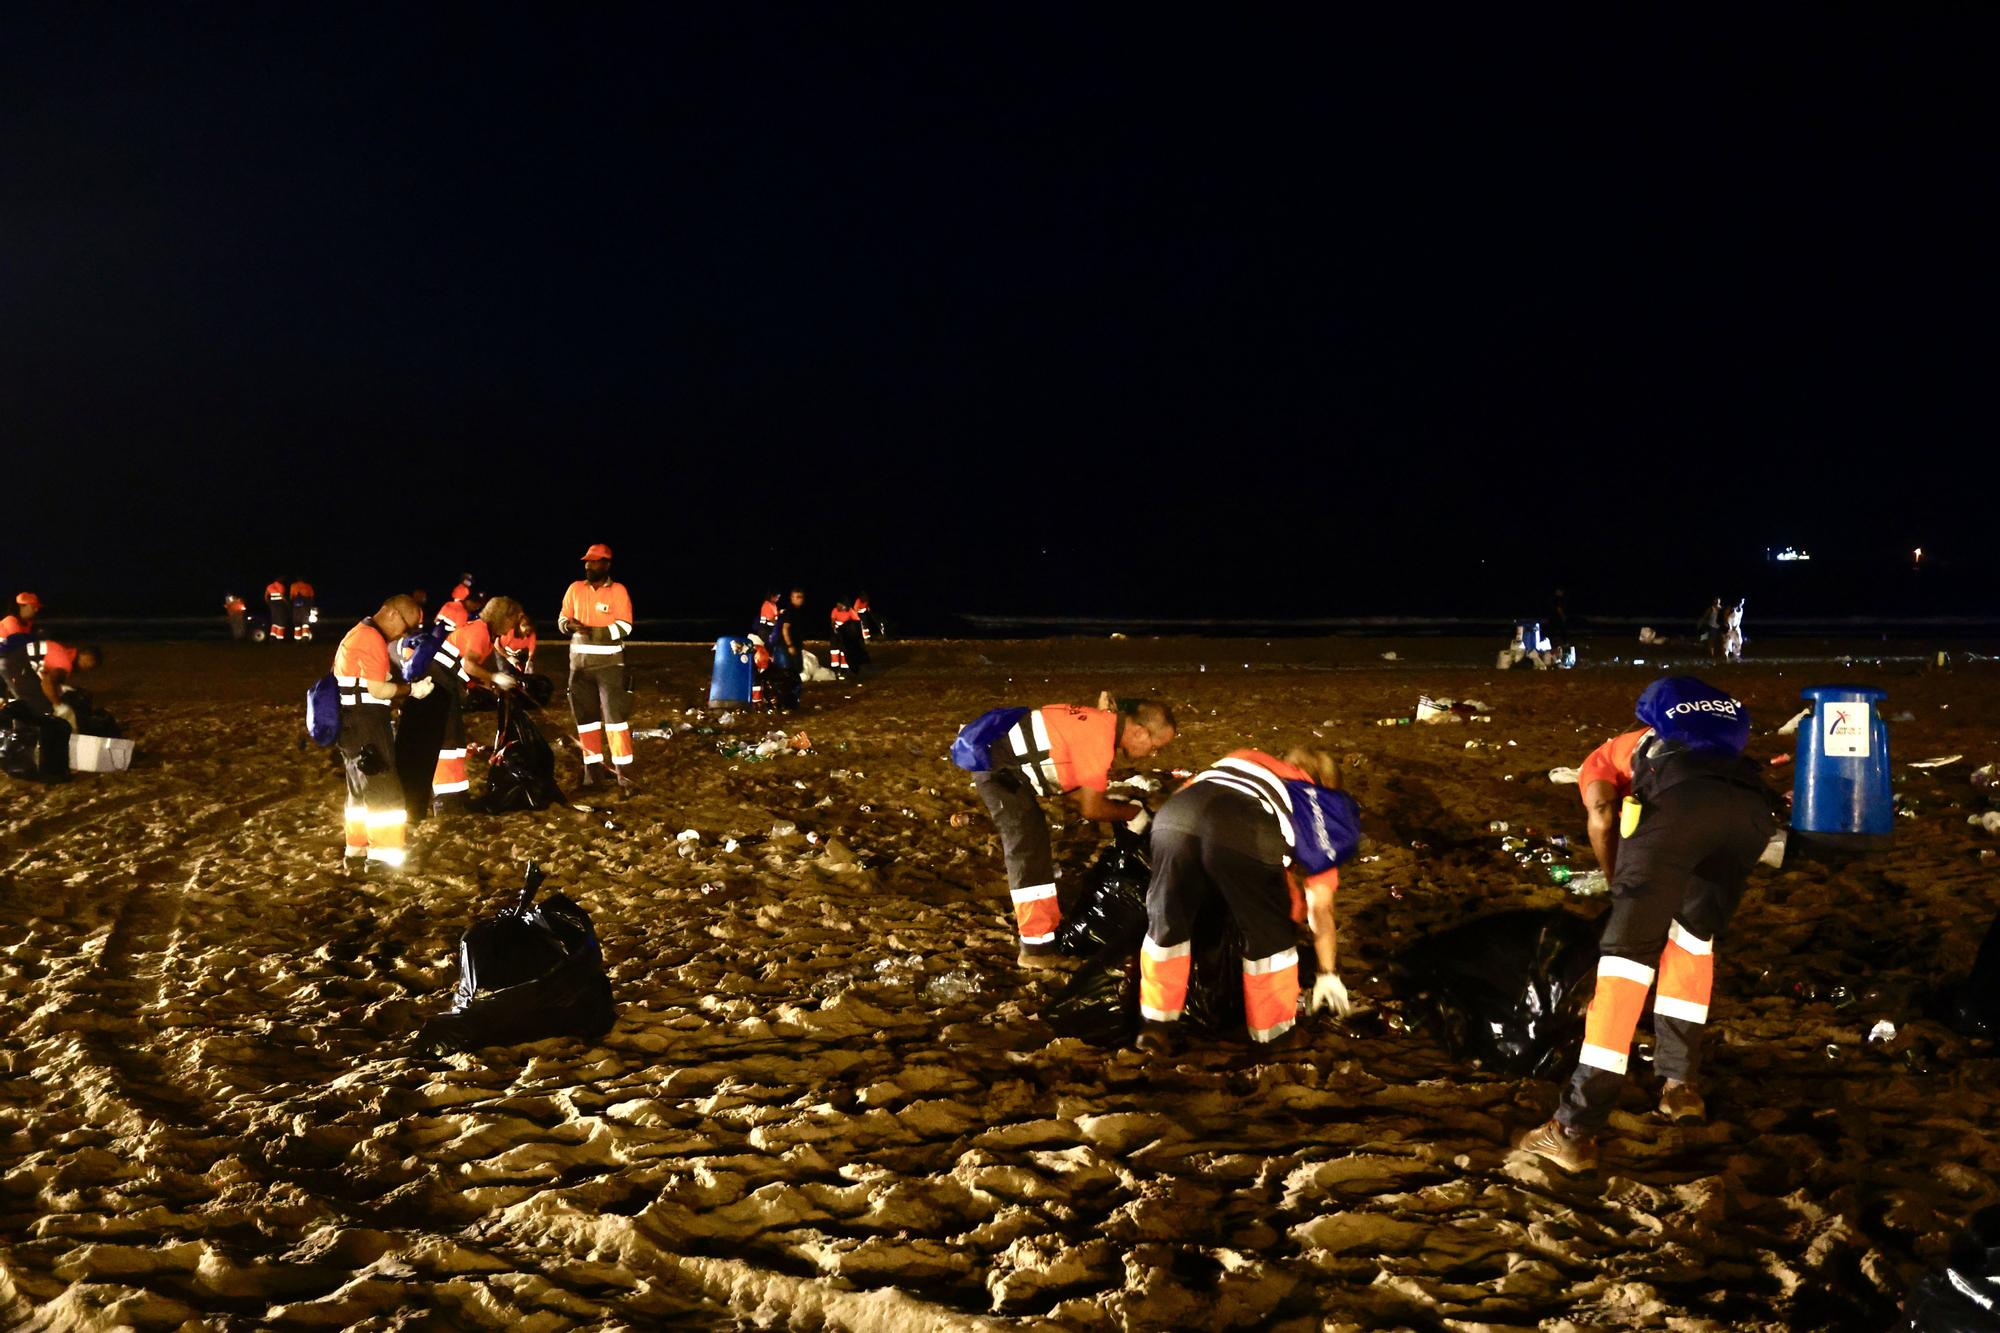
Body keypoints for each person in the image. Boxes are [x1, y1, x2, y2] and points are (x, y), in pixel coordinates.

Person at [1518, 676, 1775, 1173]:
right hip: (1749, 812)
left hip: (1680, 806)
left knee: (1625, 964)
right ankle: (1681, 1089)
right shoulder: (1704, 736)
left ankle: (1573, 1129)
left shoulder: (1604, 757)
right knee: (1692, 944)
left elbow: (1601, 812)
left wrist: (1621, 886)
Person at [1136, 747, 1363, 1050]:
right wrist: (1327, 972)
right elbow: (1319, 907)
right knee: (1269, 936)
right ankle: (1276, 1034)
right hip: (1242, 825)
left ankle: (1156, 1025)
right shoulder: (1316, 803)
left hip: (1174, 816)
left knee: (1168, 921)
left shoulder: (1246, 757)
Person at [962, 700, 1177, 968]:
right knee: (1028, 854)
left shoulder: (1098, 723)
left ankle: (1037, 942)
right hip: (999, 772)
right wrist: (1133, 813)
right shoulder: (1100, 739)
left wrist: (1118, 805)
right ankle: (1035, 951)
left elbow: (1076, 789)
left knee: (1032, 849)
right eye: (1155, 747)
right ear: (1140, 732)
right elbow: (1091, 807)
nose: (1152, 754)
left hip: (1001, 763)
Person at [332, 596, 429, 870]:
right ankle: (383, 859)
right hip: (367, 723)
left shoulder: (356, 632)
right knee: (384, 791)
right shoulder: (372, 639)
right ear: (392, 614)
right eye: (407, 626)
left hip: (349, 722)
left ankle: (357, 851)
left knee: (359, 790)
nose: (404, 634)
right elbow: (378, 691)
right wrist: (412, 690)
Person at [423, 596, 523, 815]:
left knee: (456, 740)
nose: (511, 628)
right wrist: (495, 677)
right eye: (511, 621)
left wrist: (487, 683)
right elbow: (468, 664)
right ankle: (445, 800)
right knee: (448, 741)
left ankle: (456, 795)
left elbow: (463, 666)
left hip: (445, 683)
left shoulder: (483, 632)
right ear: (501, 617)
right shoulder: (480, 632)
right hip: (439, 685)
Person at [559, 544, 636, 790]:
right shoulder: (574, 589)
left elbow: (625, 627)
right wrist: (570, 626)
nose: (588, 565)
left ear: (606, 564)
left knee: (615, 722)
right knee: (586, 722)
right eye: (587, 561)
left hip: (609, 667)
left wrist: (595, 632)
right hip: (579, 668)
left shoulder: (618, 591)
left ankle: (625, 776)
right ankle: (592, 777)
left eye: (594, 562)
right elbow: (562, 619)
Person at [28, 641, 100, 731]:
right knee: (42, 709)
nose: (89, 668)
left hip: (15, 660)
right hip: (14, 666)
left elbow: (44, 677)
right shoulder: (64, 664)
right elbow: (47, 683)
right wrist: (59, 705)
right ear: (85, 655)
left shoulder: (62, 652)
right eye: (89, 664)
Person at [768, 588, 807, 711]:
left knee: (792, 675)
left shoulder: (798, 611)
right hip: (784, 647)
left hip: (791, 647)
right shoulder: (791, 612)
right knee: (786, 676)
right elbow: (785, 629)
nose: (799, 599)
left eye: (801, 597)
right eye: (796, 597)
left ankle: (790, 703)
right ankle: (786, 703)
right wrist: (790, 645)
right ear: (792, 598)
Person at [0, 593, 43, 702]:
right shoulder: (11, 621)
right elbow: (20, 646)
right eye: (34, 607)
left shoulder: (26, 623)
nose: (36, 610)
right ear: (22, 606)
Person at [289, 578, 319, 643]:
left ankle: (297, 640)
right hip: (306, 604)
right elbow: (312, 596)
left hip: (296, 605)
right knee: (305, 622)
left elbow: (291, 596)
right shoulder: (308, 586)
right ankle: (305, 639)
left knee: (297, 622)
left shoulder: (293, 585)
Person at [265, 578, 293, 643]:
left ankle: (272, 637)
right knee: (281, 620)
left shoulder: (269, 586)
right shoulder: (281, 586)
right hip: (280, 603)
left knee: (274, 620)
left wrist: (269, 603)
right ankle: (279, 638)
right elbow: (281, 595)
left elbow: (266, 596)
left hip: (272, 603)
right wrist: (286, 603)